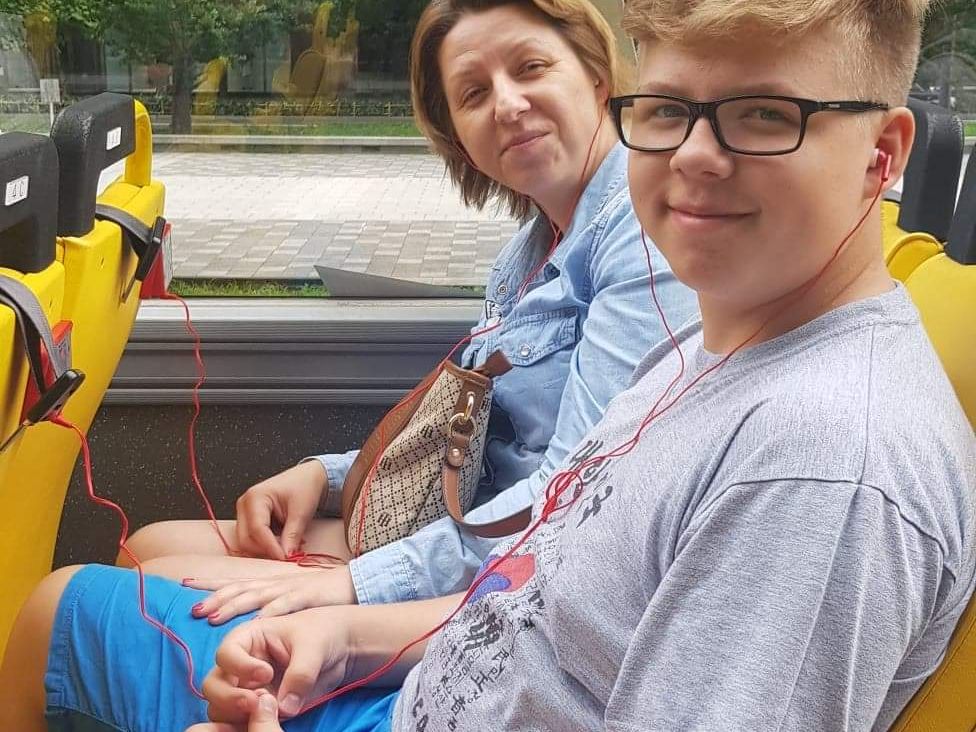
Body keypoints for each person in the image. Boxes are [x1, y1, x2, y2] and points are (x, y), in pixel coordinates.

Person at [4, 0, 975, 730]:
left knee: (57, 612)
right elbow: (547, 573)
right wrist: (346, 639)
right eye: (666, 111)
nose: (693, 158)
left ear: (881, 156)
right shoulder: (714, 347)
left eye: (764, 116)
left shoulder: (818, 469)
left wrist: (353, 591)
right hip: (431, 675)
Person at [117, 0, 696, 620]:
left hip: (514, 586)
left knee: (139, 585)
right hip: (467, 532)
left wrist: (357, 587)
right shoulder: (525, 255)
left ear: (597, 74)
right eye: (473, 94)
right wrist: (328, 477)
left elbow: (572, 500)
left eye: (531, 67)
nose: (506, 105)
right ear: (460, 139)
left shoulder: (642, 233)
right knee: (144, 547)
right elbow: (470, 442)